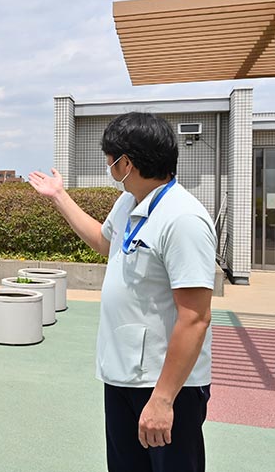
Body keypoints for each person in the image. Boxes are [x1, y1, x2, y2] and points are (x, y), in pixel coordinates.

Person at [28, 111, 215, 472]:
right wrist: (59, 197)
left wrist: (162, 399)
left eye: (110, 160)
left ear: (126, 163)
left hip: (165, 385)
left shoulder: (183, 219)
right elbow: (104, 241)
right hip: (122, 374)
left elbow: (195, 317)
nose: (109, 167)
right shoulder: (129, 202)